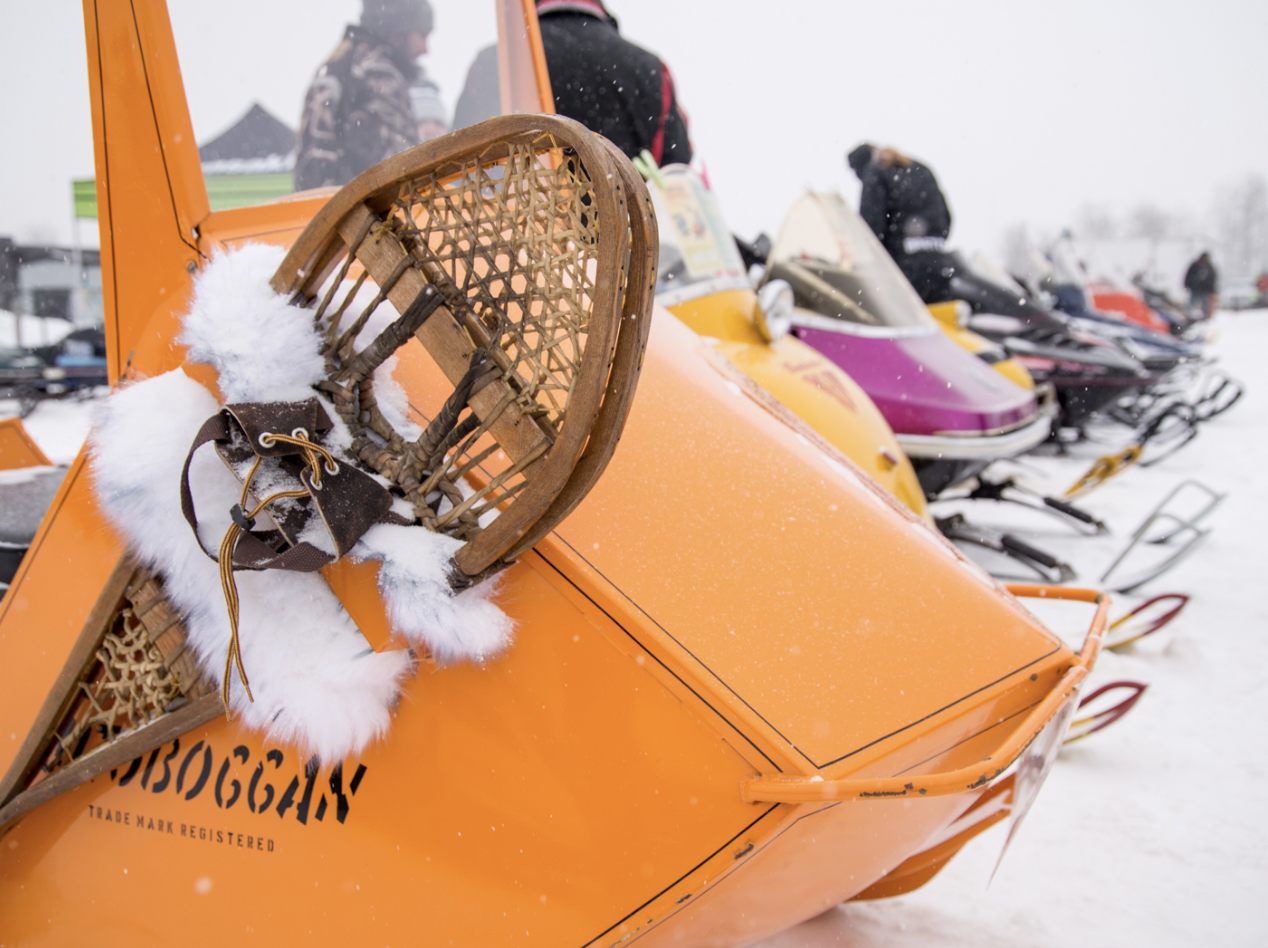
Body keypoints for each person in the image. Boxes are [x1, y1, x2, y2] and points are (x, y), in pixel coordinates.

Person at [452, 0, 693, 166]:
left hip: (509, 236)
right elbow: (677, 177)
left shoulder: (492, 64)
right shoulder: (650, 70)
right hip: (626, 237)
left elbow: (450, 169)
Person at [294, 0, 433, 191]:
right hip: (361, 216)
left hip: (318, 213)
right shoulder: (379, 75)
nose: (425, 48)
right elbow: (403, 173)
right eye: (422, 35)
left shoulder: (335, 66)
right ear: (399, 30)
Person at [847, 143, 953, 302]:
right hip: (939, 266)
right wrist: (928, 245)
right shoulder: (920, 168)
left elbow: (871, 228)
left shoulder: (875, 172)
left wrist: (861, 261)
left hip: (903, 272)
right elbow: (947, 217)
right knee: (936, 321)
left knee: (901, 323)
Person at [1183, 251, 1218, 319]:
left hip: (1205, 291)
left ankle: (1205, 317)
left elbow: (1212, 278)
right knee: (1191, 305)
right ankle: (1189, 317)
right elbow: (1188, 276)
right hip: (1195, 289)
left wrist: (1212, 290)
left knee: (1205, 306)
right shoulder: (1194, 266)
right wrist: (1187, 285)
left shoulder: (1209, 267)